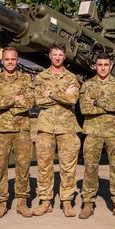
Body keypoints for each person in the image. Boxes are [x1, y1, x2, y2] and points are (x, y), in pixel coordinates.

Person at [78, 52, 115, 220]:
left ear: (111, 66)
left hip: (113, 133)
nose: (102, 68)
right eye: (99, 65)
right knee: (90, 169)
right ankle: (88, 203)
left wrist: (96, 101)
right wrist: (104, 104)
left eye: (106, 65)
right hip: (92, 133)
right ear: (95, 66)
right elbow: (84, 109)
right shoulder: (87, 85)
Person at [32, 42, 81, 218]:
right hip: (45, 127)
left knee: (68, 166)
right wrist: (62, 94)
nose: (57, 58)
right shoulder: (40, 77)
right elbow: (39, 101)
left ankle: (66, 201)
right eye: (54, 55)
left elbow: (72, 100)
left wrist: (51, 93)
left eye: (60, 55)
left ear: (64, 57)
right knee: (44, 166)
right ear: (50, 56)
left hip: (66, 127)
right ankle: (46, 201)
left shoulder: (71, 78)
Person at [0, 47, 35, 219]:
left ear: (17, 60)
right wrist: (15, 99)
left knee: (23, 166)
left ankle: (22, 201)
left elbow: (30, 102)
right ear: (2, 61)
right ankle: (1, 201)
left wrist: (7, 102)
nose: (10, 62)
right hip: (1, 130)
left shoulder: (26, 80)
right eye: (7, 59)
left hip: (22, 129)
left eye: (13, 59)